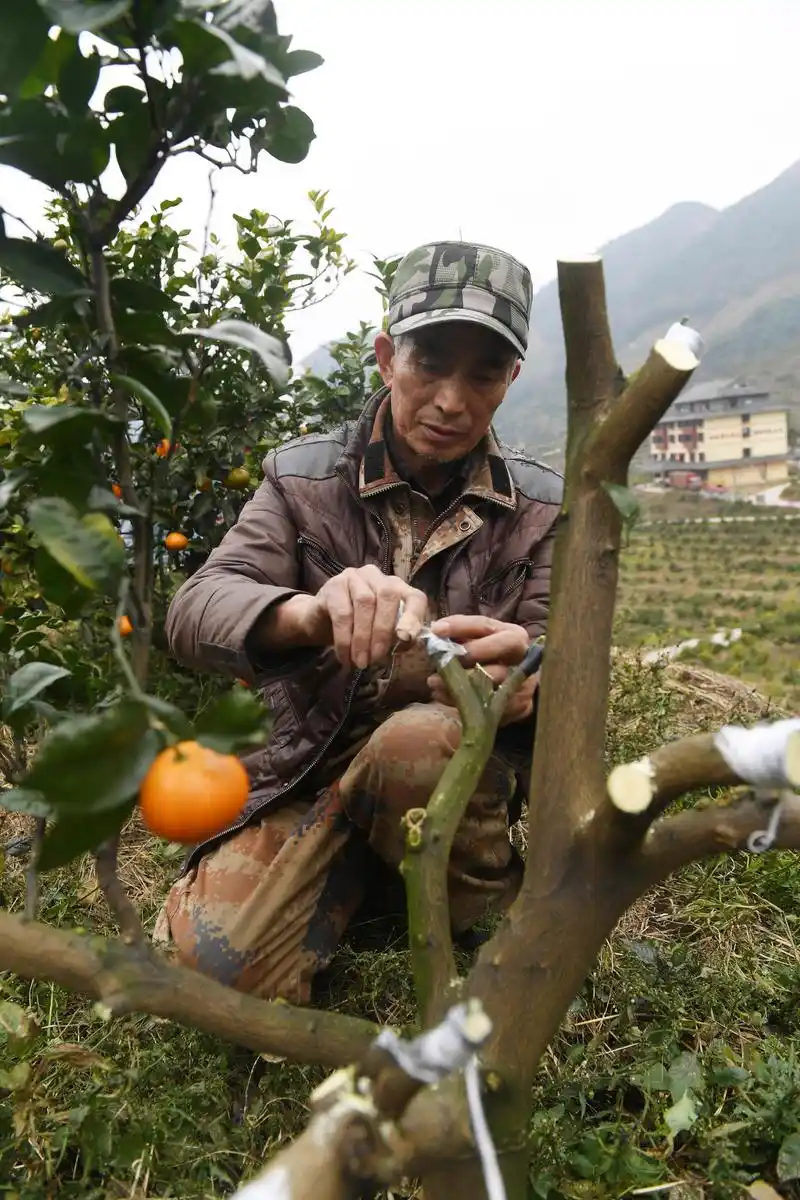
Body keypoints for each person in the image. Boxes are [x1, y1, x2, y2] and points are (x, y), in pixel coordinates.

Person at [154, 240, 563, 1003]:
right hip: (314, 778)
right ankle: (359, 879)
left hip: (454, 780)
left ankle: (474, 916)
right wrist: (306, 613)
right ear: (385, 357)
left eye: (482, 372)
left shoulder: (542, 509)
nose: (451, 399)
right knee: (213, 971)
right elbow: (194, 611)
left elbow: (565, 652)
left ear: (511, 378)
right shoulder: (303, 479)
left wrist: (533, 669)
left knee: (417, 739)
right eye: (430, 362)